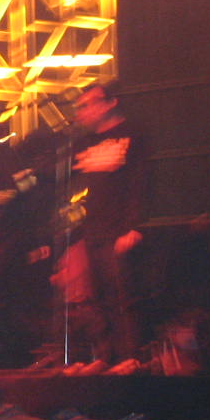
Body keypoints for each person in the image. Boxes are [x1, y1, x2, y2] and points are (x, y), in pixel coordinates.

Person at [58, 80, 148, 369]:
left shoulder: (132, 135)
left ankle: (131, 356)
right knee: (98, 298)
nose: (83, 112)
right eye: (80, 107)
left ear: (110, 103)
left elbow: (140, 183)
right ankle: (107, 357)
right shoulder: (84, 144)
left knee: (123, 297)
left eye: (88, 104)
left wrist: (134, 226)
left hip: (119, 229)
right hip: (93, 230)